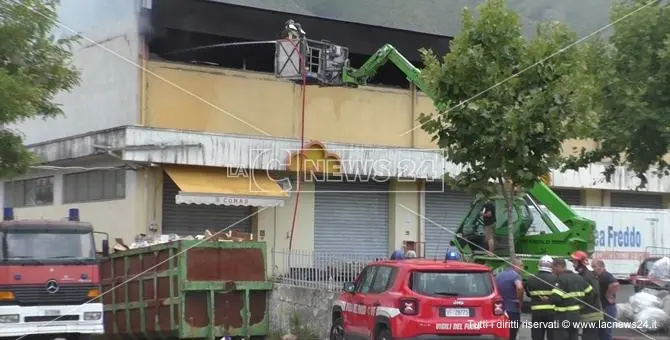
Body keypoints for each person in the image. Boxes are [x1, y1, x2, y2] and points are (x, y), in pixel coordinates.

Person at [550, 258, 591, 340]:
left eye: (553, 268)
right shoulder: (579, 278)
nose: (552, 271)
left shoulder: (560, 279)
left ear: (559, 266)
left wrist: (548, 300)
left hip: (563, 316)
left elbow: (556, 299)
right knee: (573, 337)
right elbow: (590, 292)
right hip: (576, 316)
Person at [570, 251, 603, 339]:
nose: (573, 264)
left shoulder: (587, 276)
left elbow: (593, 294)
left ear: (581, 262)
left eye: (575, 262)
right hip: (588, 314)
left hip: (591, 315)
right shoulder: (584, 274)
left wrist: (579, 303)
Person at [527, 255, 557, 340]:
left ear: (539, 264)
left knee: (537, 336)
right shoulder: (555, 279)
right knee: (552, 336)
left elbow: (529, 293)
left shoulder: (531, 279)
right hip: (552, 312)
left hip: (536, 313)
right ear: (551, 265)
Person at [495, 257, 524, 340]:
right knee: (512, 334)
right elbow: (519, 287)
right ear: (515, 266)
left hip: (500, 309)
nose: (522, 269)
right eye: (521, 266)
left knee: (502, 334)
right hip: (513, 309)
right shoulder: (516, 276)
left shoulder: (499, 275)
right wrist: (519, 300)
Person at [594, 259, 619, 340]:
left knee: (606, 332)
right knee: (601, 331)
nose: (592, 269)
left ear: (601, 267)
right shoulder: (599, 276)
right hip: (603, 307)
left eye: (594, 266)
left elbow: (615, 284)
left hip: (608, 308)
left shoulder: (605, 276)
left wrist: (608, 295)